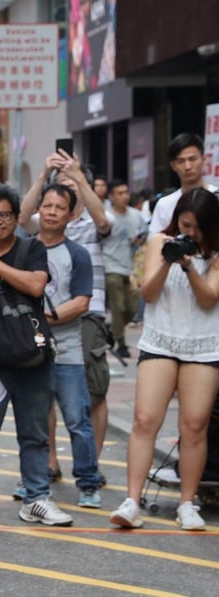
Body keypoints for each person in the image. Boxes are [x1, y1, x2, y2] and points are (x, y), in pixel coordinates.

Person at [0, 183, 73, 528]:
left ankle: (36, 498)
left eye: (3, 215)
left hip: (33, 359)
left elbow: (36, 285)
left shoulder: (31, 248)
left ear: (15, 216)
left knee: (34, 434)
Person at [110, 188, 219, 531]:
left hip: (203, 344)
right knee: (144, 420)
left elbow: (208, 299)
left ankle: (188, 503)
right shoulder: (160, 241)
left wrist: (189, 268)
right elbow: (148, 292)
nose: (189, 233)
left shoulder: (216, 253)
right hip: (160, 340)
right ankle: (131, 500)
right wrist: (171, 259)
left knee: (194, 426)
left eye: (196, 228)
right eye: (184, 225)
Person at [20, 149, 113, 483]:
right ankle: (50, 460)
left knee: (92, 395)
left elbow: (103, 220)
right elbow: (22, 215)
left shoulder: (92, 223)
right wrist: (45, 176)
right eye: (53, 198)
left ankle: (92, 464)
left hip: (87, 315)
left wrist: (77, 174)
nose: (55, 207)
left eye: (68, 191)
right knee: (44, 397)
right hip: (43, 320)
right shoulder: (41, 224)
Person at [31, 183, 103, 507]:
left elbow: (82, 302)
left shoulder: (78, 253)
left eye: (59, 207)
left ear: (70, 215)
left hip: (69, 349)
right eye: (47, 205)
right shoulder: (26, 249)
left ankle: (88, 483)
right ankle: (34, 479)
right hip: (31, 350)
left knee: (78, 420)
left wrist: (48, 316)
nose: (51, 212)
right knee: (34, 419)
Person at [102, 179, 146, 358]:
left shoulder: (136, 215)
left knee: (132, 309)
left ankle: (113, 329)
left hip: (131, 268)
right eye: (119, 193)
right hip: (111, 265)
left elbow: (145, 237)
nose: (124, 196)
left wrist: (139, 240)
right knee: (118, 306)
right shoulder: (106, 216)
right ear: (111, 196)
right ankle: (121, 343)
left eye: (126, 192)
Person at [149, 133, 218, 235]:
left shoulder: (216, 197)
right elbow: (155, 243)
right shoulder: (164, 205)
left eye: (192, 159)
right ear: (173, 165)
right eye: (181, 161)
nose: (188, 166)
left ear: (203, 160)